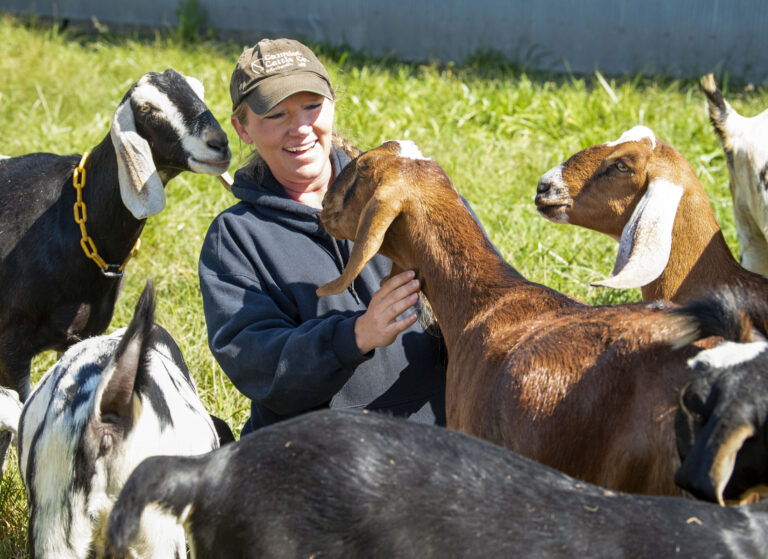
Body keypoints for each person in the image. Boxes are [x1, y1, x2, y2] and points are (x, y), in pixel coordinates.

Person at [199, 38, 448, 436]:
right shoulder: (236, 239)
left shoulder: (403, 190)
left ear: (332, 101)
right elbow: (258, 364)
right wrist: (355, 336)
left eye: (312, 106)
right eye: (276, 114)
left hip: (443, 437)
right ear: (242, 128)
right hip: (317, 454)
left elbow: (484, 289)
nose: (300, 128)